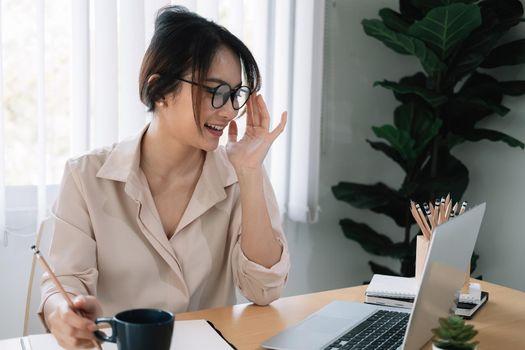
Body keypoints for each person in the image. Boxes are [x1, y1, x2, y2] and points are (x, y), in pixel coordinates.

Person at [39, 6, 290, 349]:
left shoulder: (240, 171)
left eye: (235, 95)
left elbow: (265, 290)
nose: (230, 110)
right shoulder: (86, 175)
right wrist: (60, 312)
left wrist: (250, 173)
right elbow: (63, 284)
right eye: (216, 91)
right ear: (160, 90)